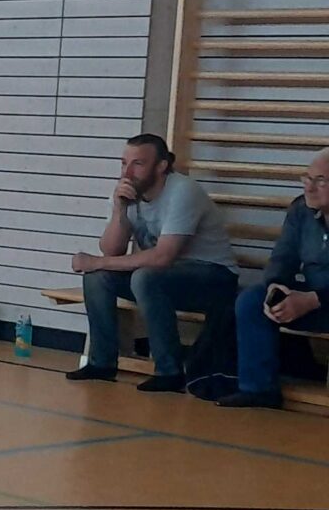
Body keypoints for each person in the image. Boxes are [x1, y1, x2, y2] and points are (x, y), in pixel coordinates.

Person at [65, 132, 239, 393]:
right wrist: (119, 210)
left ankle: (169, 370)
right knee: (97, 277)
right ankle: (102, 363)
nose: (127, 172)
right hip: (164, 277)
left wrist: (98, 261)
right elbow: (112, 249)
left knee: (143, 276)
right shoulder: (128, 192)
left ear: (161, 166)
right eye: (124, 163)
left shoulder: (183, 191)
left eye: (138, 164)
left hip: (213, 277)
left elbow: (162, 256)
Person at [214, 148, 329, 409]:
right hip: (312, 297)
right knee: (252, 301)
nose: (309, 187)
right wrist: (275, 285)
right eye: (307, 178)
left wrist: (313, 299)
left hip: (320, 298)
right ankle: (258, 389)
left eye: (320, 180)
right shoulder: (301, 209)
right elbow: (283, 257)